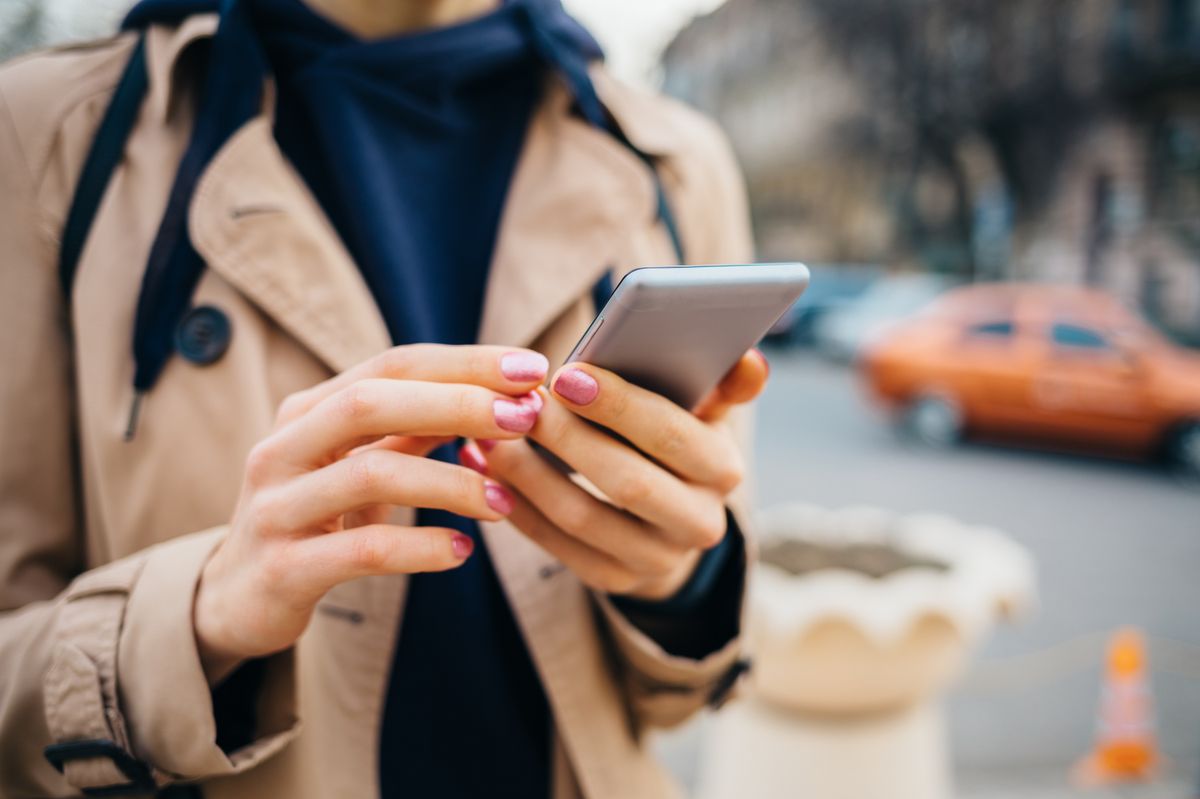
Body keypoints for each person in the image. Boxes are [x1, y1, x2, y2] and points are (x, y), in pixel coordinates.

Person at [0, 0, 764, 796]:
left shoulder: (675, 161)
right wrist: (196, 618)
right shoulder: (45, 135)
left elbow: (686, 696)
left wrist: (680, 583)